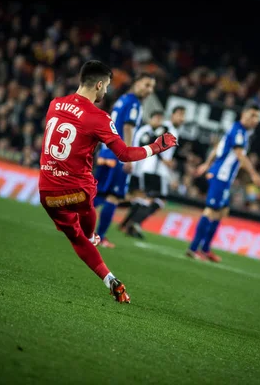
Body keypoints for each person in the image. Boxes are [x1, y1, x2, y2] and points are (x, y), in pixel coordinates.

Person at [38, 60, 177, 303]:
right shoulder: (98, 117)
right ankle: (92, 235)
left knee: (76, 237)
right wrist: (156, 146)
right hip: (77, 192)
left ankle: (109, 278)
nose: (107, 92)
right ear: (99, 84)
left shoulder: (54, 104)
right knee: (90, 191)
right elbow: (125, 154)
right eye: (107, 87)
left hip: (46, 193)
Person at [186, 103, 260, 262]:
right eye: (252, 115)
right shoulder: (239, 132)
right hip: (221, 176)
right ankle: (193, 248)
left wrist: (206, 164)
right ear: (243, 114)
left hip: (224, 177)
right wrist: (254, 174)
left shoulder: (237, 129)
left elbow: (218, 147)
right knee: (211, 210)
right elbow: (240, 155)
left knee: (222, 212)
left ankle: (206, 248)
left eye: (257, 117)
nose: (254, 119)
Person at [92, 73, 156, 248]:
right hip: (118, 154)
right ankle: (101, 236)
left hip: (107, 152)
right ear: (136, 83)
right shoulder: (134, 103)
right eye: (146, 84)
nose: (149, 90)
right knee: (113, 197)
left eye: (152, 87)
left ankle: (73, 223)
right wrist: (127, 155)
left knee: (99, 194)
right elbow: (128, 126)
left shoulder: (122, 100)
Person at [120, 106, 186, 238]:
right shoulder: (166, 128)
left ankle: (128, 223)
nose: (181, 118)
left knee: (145, 198)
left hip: (152, 168)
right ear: (172, 115)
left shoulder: (171, 129)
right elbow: (153, 141)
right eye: (179, 114)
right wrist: (164, 160)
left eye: (183, 115)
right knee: (159, 200)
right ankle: (134, 223)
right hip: (155, 169)